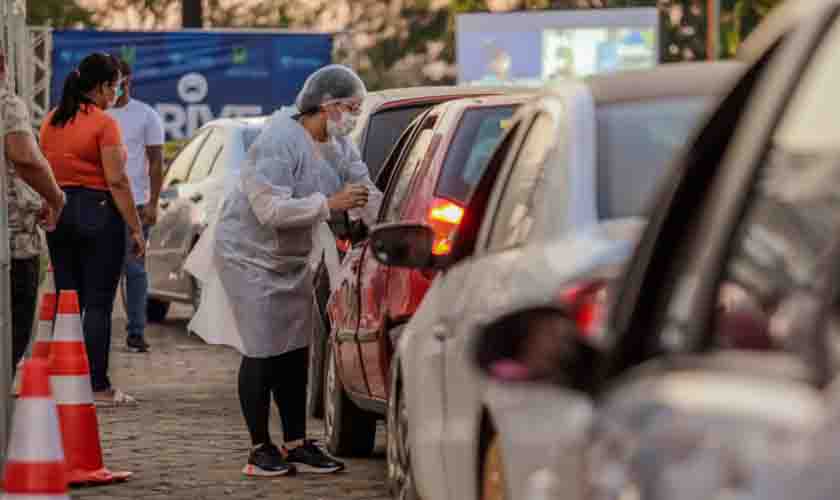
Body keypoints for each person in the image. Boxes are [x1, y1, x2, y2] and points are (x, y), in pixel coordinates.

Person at [213, 64, 381, 477]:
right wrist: (330, 204)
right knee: (263, 349)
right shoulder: (279, 140)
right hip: (249, 256)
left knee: (294, 351)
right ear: (325, 106)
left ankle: (296, 442)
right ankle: (259, 449)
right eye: (349, 108)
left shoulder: (338, 144)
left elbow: (364, 189)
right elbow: (269, 210)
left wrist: (390, 224)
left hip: (290, 257)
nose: (353, 117)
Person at [39, 53, 145, 406]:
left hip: (59, 213)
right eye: (115, 86)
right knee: (98, 304)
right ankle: (98, 385)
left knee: (68, 300)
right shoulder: (104, 123)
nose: (116, 94)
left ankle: (61, 381)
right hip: (99, 214)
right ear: (101, 87)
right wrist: (135, 227)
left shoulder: (51, 119)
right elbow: (116, 180)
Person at [0, 48, 66, 376]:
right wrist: (55, 197)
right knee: (13, 328)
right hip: (10, 243)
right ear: (3, 65)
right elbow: (25, 157)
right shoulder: (7, 104)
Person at [108, 58, 164, 353]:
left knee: (135, 270)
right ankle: (97, 329)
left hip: (138, 204)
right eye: (113, 82)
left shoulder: (146, 115)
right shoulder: (97, 114)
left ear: (129, 81)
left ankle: (136, 332)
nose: (118, 88)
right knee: (103, 271)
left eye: (122, 82)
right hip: (103, 203)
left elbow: (156, 162)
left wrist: (153, 202)